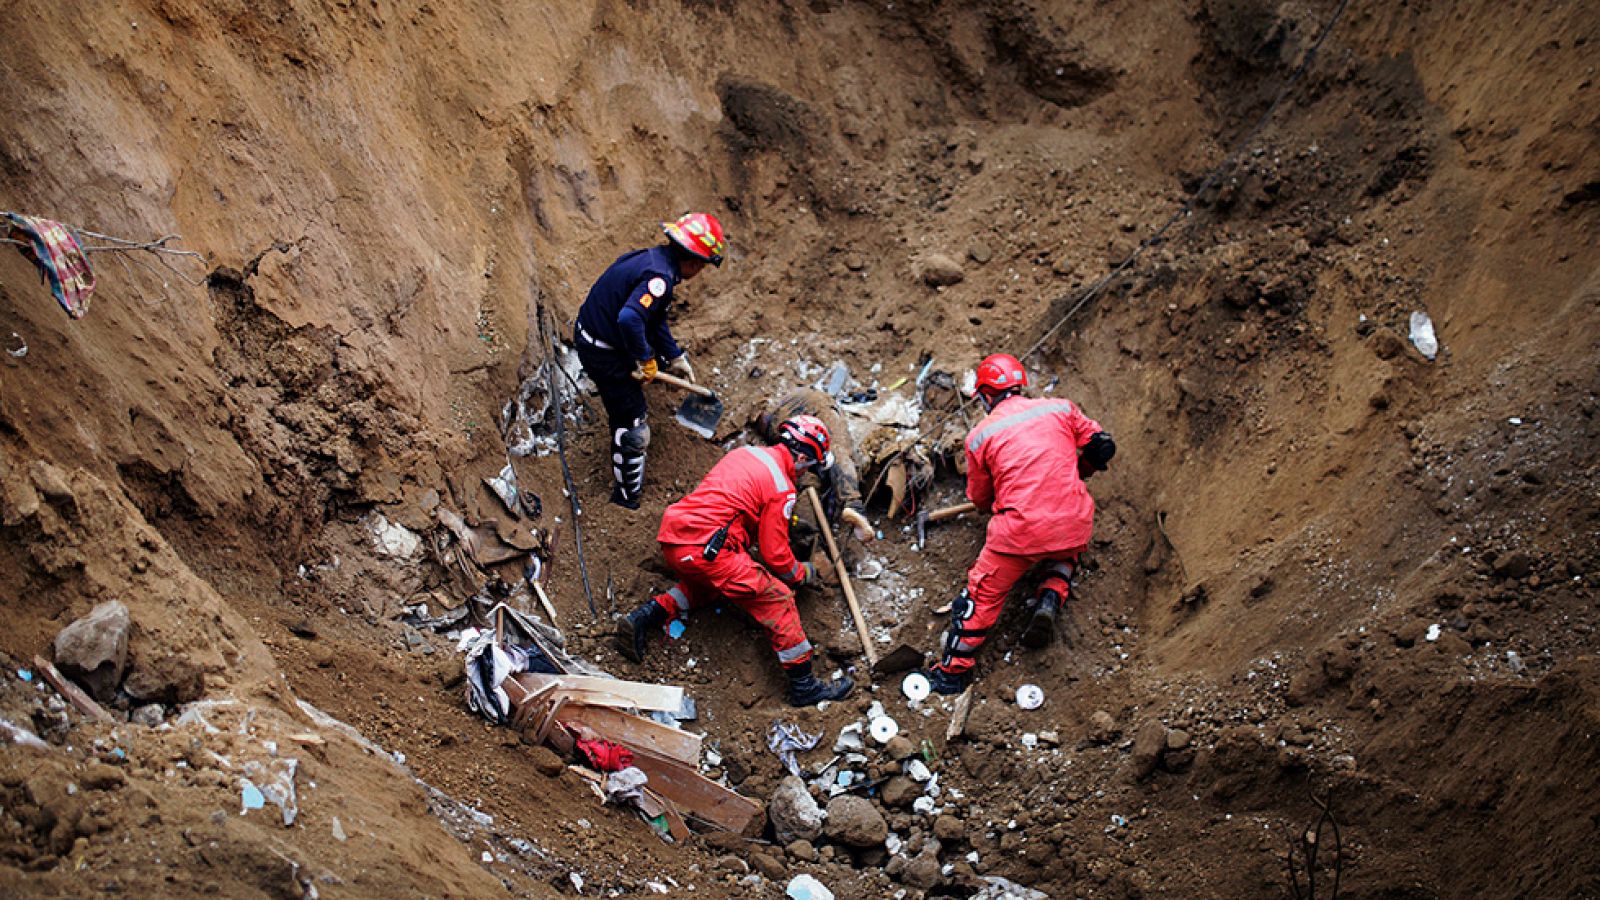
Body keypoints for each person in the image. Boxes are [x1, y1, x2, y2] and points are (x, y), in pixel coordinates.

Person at [616, 415, 856, 707]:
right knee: (778, 599)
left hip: (677, 539)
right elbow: (776, 557)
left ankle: (643, 617)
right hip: (708, 549)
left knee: (710, 586)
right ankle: (804, 686)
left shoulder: (745, 453)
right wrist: (804, 573)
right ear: (803, 457)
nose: (808, 473)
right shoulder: (782, 487)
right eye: (810, 466)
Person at [924, 353, 1116, 695]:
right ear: (1020, 385)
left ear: (984, 395)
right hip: (1074, 519)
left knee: (979, 597)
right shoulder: (1060, 407)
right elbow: (1100, 446)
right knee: (1065, 547)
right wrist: (1079, 470)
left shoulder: (980, 436)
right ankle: (1051, 596)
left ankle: (952, 673)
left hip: (1021, 532)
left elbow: (981, 499)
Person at [573, 212, 726, 509]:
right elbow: (630, 318)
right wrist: (645, 359)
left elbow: (652, 318)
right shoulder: (660, 279)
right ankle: (625, 500)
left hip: (596, 332)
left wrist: (674, 355)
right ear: (695, 263)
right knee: (633, 424)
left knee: (641, 378)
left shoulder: (654, 260)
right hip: (601, 350)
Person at [753, 388, 874, 542]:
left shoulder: (780, 426)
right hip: (807, 411)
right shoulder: (809, 405)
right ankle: (852, 504)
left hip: (794, 424)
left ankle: (845, 508)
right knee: (838, 448)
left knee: (831, 456)